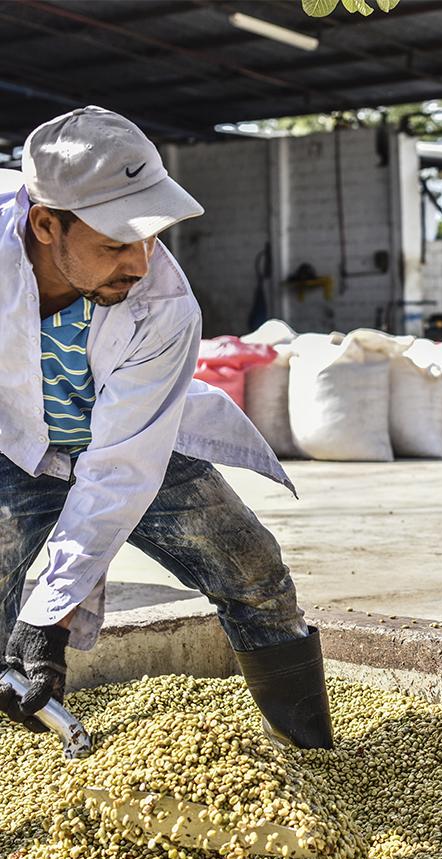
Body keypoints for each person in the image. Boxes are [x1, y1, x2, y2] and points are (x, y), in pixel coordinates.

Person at [0, 107, 332, 748]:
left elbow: (120, 467)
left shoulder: (164, 305)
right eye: (115, 243)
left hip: (138, 442)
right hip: (15, 445)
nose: (140, 262)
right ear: (45, 224)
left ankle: (308, 752)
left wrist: (53, 613)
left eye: (150, 237)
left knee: (253, 571)